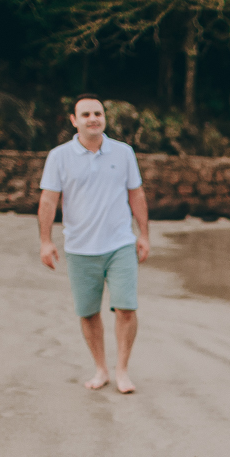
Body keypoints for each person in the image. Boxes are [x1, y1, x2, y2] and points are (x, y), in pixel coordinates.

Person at [37, 94, 150, 393]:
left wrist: (144, 235)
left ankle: (122, 370)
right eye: (85, 114)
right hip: (79, 248)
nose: (93, 119)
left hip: (120, 244)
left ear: (105, 117)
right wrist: (45, 241)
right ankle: (101, 369)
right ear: (74, 121)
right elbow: (49, 200)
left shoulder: (123, 152)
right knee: (88, 313)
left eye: (97, 113)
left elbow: (136, 194)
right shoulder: (59, 156)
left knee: (126, 308)